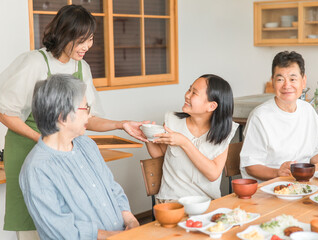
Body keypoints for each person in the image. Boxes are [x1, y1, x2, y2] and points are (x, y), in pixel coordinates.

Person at [0, 5, 147, 238]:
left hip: (65, 145)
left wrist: (121, 124)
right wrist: (45, 140)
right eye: (82, 40)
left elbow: (88, 117)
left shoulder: (81, 67)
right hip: (30, 147)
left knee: (80, 208)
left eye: (90, 39)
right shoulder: (34, 63)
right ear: (64, 34)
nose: (88, 46)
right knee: (37, 221)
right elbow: (5, 112)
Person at [19, 74, 139, 240]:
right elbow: (61, 230)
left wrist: (131, 222)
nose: (89, 116)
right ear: (62, 116)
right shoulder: (36, 169)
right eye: (85, 108)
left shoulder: (86, 145)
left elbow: (112, 188)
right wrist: (115, 236)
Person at [240, 51, 318, 182]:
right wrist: (277, 172)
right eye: (280, 79)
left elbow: (314, 153)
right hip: (268, 190)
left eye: (292, 79)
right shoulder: (260, 117)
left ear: (303, 81)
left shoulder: (308, 111)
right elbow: (250, 165)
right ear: (273, 82)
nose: (287, 85)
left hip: (303, 185)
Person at [145, 74, 239, 201]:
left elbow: (213, 174)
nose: (187, 95)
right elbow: (160, 154)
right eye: (189, 89)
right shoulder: (172, 122)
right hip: (172, 202)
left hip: (207, 203)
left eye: (194, 93)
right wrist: (147, 137)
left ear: (211, 106)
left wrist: (184, 142)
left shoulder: (223, 133)